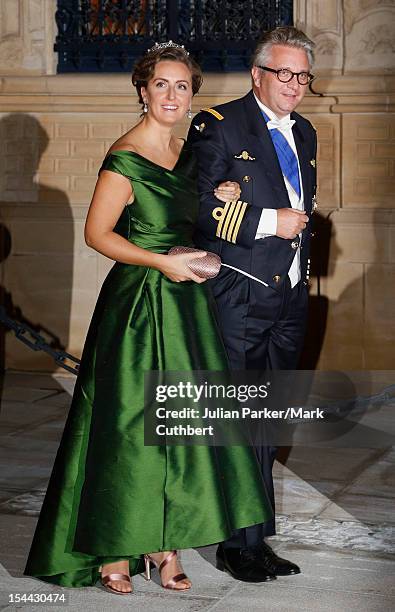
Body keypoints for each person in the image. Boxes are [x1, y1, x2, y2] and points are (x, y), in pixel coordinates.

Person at [24, 43, 274, 595]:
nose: (172, 95)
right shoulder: (126, 155)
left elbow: (199, 220)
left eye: (182, 86)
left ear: (191, 96)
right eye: (161, 84)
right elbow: (99, 234)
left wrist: (222, 195)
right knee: (129, 426)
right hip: (138, 305)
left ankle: (166, 546)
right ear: (143, 91)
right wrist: (162, 260)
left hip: (186, 308)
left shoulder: (189, 153)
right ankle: (116, 548)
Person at [187, 26, 317, 580]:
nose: (293, 85)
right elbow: (192, 206)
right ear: (257, 74)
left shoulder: (306, 132)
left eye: (302, 75)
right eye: (283, 73)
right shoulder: (217, 125)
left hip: (289, 294)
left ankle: (256, 536)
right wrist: (267, 222)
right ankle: (234, 544)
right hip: (240, 290)